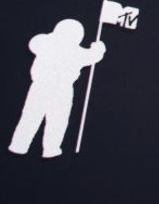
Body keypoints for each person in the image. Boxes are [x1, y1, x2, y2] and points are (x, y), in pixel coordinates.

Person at [9, 18, 105, 159]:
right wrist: (98, 49)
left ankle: (30, 146)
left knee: (45, 119)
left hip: (52, 88)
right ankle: (42, 148)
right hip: (51, 88)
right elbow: (93, 56)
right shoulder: (56, 46)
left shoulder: (51, 45)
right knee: (47, 119)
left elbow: (92, 56)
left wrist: (98, 50)